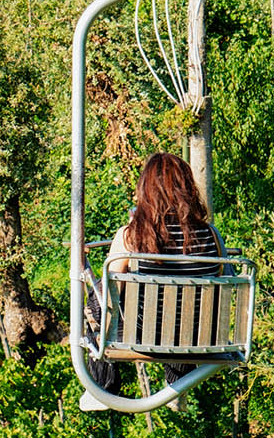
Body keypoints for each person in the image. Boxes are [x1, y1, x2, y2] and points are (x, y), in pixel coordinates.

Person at [80, 151, 224, 411]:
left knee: (96, 298)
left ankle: (102, 386)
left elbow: (109, 292)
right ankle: (178, 382)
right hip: (197, 340)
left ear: (145, 190)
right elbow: (221, 283)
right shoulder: (211, 236)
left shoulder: (132, 235)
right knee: (185, 306)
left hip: (145, 335)